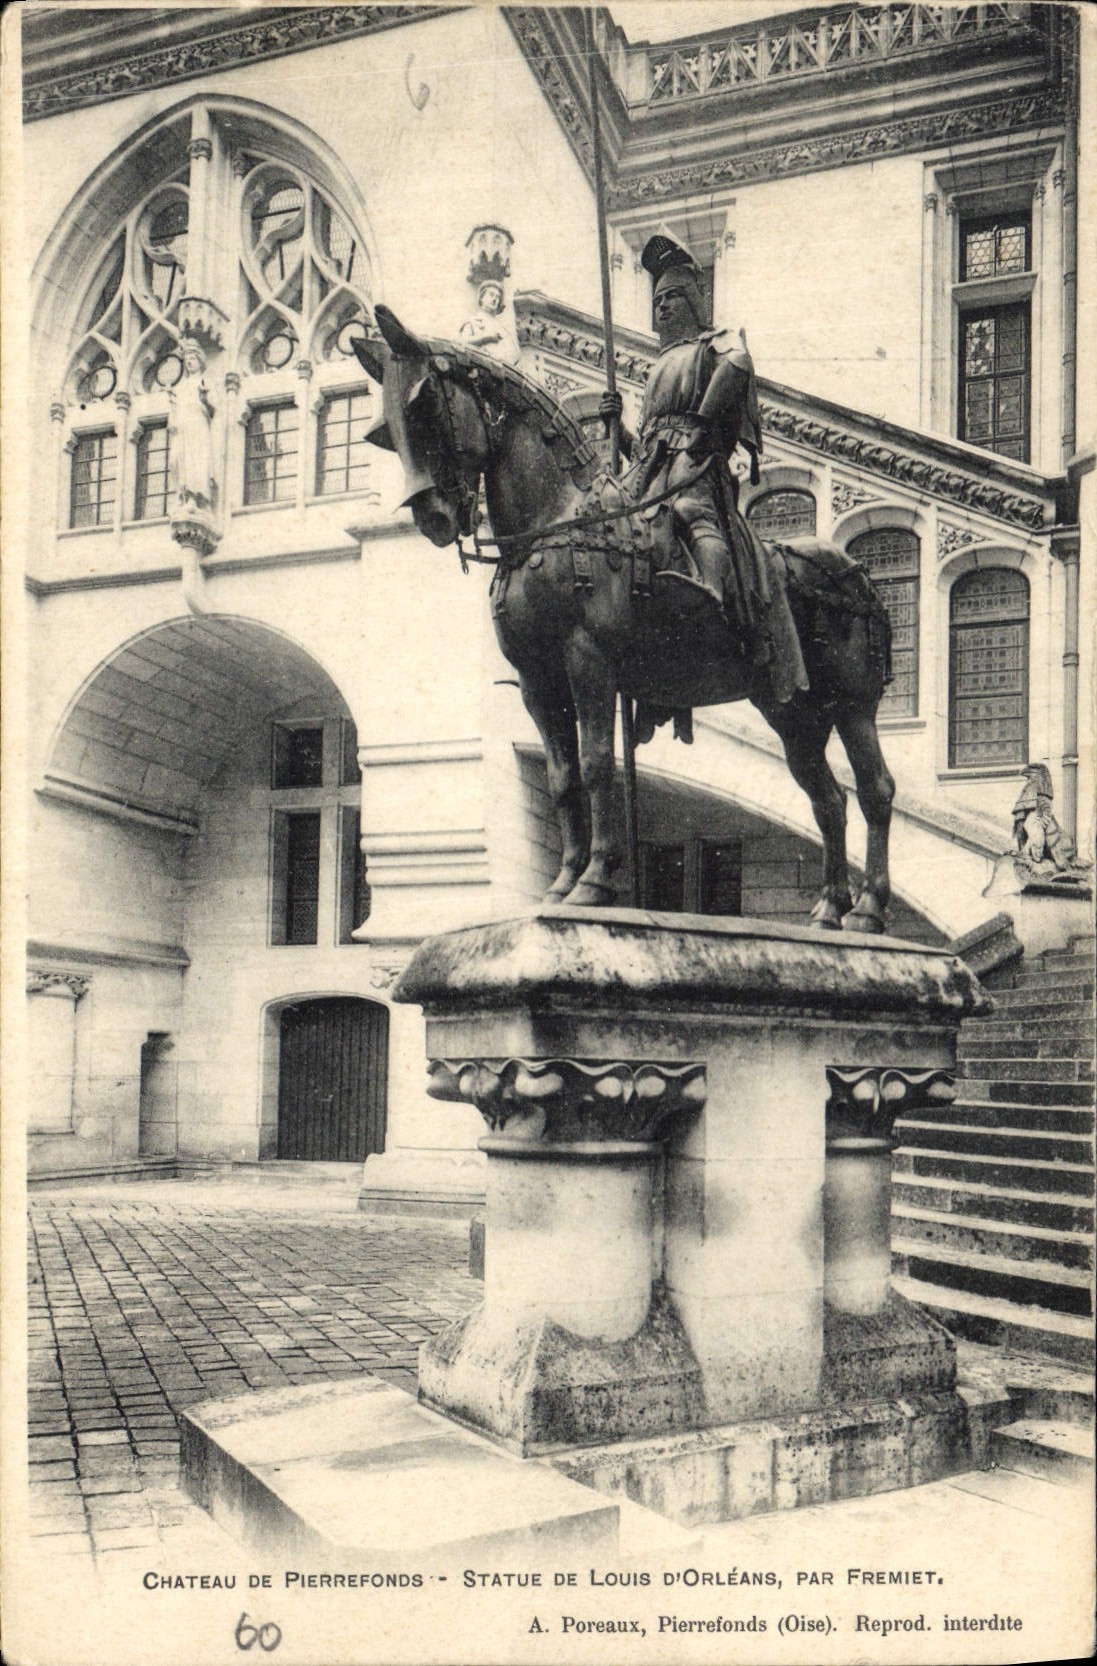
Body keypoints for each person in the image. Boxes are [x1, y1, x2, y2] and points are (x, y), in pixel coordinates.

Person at [612, 233, 808, 707]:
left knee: (687, 509)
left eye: (673, 297)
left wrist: (701, 426)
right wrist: (616, 429)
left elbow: (738, 364)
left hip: (700, 464)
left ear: (695, 300)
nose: (662, 308)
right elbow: (646, 446)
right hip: (651, 467)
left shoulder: (714, 343)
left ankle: (711, 595)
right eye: (657, 300)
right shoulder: (658, 364)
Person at [168, 342, 216, 511]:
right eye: (186, 359)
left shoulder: (204, 382)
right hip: (182, 427)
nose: (189, 362)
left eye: (192, 359)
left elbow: (213, 408)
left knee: (196, 460)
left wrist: (204, 398)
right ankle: (182, 494)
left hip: (198, 424)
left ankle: (196, 498)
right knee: (175, 460)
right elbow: (173, 412)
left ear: (200, 361)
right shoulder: (179, 387)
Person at [458, 280, 520, 365]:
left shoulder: (503, 329)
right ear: (482, 297)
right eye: (491, 295)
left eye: (497, 297)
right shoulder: (473, 322)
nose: (494, 299)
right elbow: (463, 342)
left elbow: (515, 354)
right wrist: (486, 338)